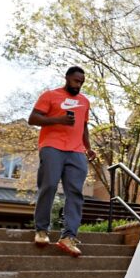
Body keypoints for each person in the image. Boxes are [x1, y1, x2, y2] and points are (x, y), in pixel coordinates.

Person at [28, 66, 96, 257]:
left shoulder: (84, 102)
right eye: (76, 81)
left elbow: (83, 126)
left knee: (75, 193)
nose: (78, 85)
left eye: (81, 82)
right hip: (52, 147)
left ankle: (68, 236)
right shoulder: (50, 95)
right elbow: (33, 119)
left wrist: (88, 147)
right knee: (48, 185)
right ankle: (41, 230)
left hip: (76, 151)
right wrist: (58, 120)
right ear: (67, 78)